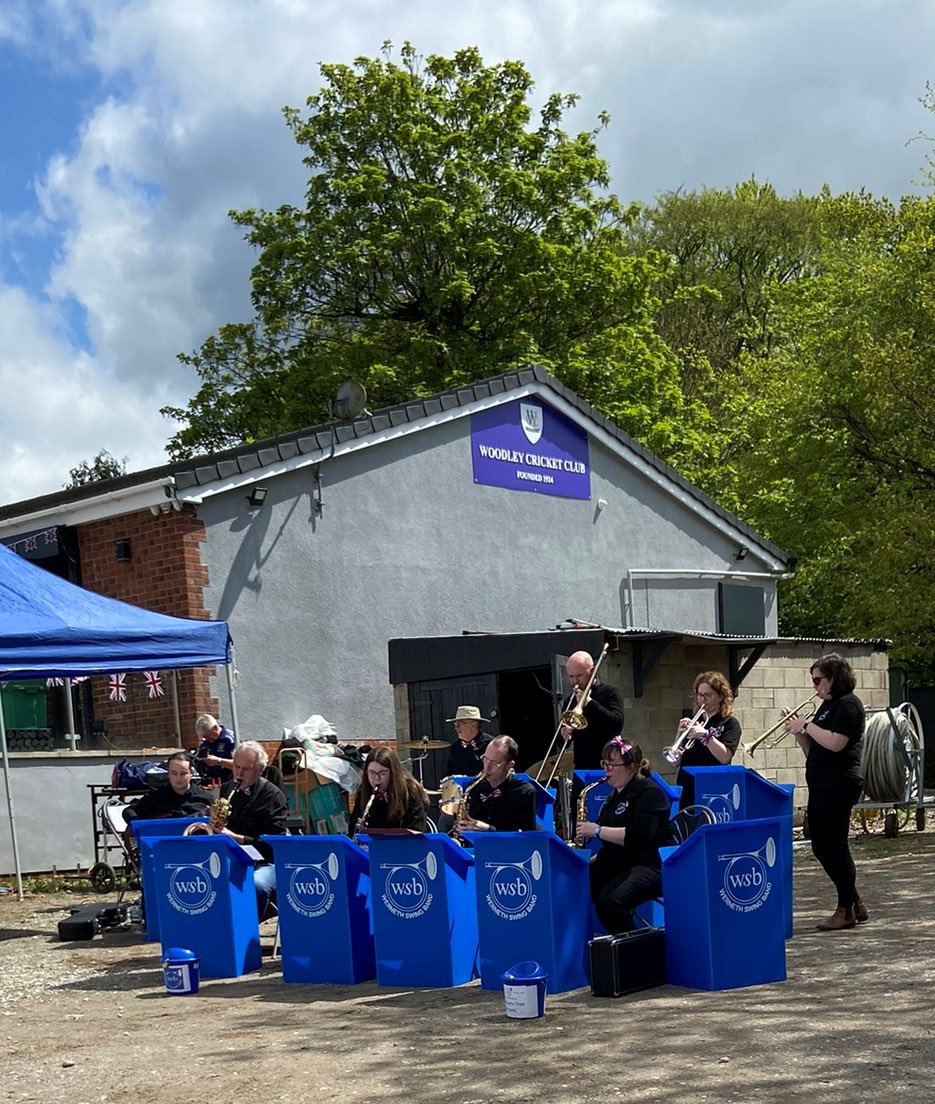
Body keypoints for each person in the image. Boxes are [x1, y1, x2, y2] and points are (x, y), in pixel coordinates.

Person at [783, 653, 867, 931]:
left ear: (834, 678)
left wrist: (807, 725)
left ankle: (845, 910)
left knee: (835, 845)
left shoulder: (848, 705)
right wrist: (799, 733)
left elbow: (836, 743)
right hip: (821, 782)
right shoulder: (826, 706)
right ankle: (853, 900)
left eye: (818, 680)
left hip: (839, 783)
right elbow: (814, 751)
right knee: (821, 844)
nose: (815, 686)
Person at [577, 737, 676, 935]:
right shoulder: (615, 795)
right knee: (573, 886)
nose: (607, 771)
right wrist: (585, 861)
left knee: (610, 904)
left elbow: (638, 836)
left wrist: (596, 830)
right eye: (605, 764)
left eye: (613, 765)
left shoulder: (650, 793)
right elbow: (612, 846)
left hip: (650, 864)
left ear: (631, 767)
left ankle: (636, 954)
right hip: (621, 862)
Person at [218, 741, 289, 920]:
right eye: (236, 766)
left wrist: (235, 838)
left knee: (256, 883)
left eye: (246, 769)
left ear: (260, 770)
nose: (239, 774)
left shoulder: (272, 795)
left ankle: (244, 931)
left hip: (266, 862)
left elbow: (274, 845)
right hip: (233, 858)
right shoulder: (227, 789)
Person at [675, 671, 742, 810]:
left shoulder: (730, 723)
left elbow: (725, 757)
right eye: (699, 695)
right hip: (688, 788)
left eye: (707, 695)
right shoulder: (694, 721)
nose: (702, 700)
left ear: (720, 696)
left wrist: (705, 735)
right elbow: (675, 762)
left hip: (714, 789)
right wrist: (679, 735)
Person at [560, 650, 624, 770]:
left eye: (579, 676)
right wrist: (564, 736)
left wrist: (590, 703)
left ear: (593, 671)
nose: (575, 681)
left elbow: (617, 724)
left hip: (608, 766)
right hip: (582, 767)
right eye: (571, 676)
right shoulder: (570, 700)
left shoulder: (610, 693)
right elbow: (562, 741)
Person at [459, 736, 537, 833]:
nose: (487, 767)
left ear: (510, 765)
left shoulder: (524, 792)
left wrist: (488, 829)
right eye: (485, 759)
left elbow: (525, 836)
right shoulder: (474, 787)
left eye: (494, 763)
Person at [347, 747, 429, 835]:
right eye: (372, 773)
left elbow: (416, 829)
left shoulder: (410, 791)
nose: (376, 779)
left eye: (383, 773)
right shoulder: (365, 791)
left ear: (393, 773)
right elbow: (353, 828)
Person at [122, 752, 216, 825]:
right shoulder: (157, 796)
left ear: (191, 773)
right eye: (174, 773)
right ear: (168, 773)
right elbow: (129, 811)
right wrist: (139, 826)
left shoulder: (206, 799)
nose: (178, 778)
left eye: (183, 773)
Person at [445, 705, 492, 776]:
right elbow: (450, 775)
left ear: (474, 724)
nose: (456, 727)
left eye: (459, 723)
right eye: (455, 724)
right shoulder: (455, 748)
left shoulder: (491, 744)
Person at [193, 713, 235, 785]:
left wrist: (219, 761)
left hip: (228, 782)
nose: (207, 739)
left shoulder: (230, 740)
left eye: (208, 736)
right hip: (210, 783)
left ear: (215, 728)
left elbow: (240, 765)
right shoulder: (206, 743)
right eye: (204, 737)